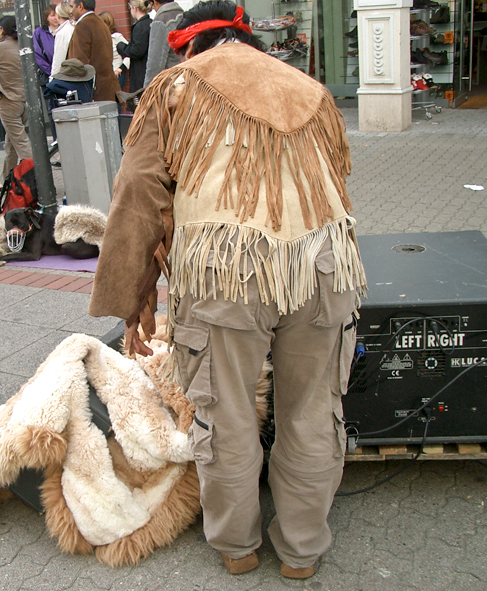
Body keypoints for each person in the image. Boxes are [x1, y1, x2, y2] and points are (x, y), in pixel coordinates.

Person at [89, 0, 366, 580]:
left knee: (228, 417)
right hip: (324, 266)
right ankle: (302, 552)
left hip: (225, 271)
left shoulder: (173, 87)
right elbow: (337, 176)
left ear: (188, 44)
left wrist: (131, 297)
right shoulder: (309, 88)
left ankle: (238, 547)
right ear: (245, 36)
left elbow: (139, 194)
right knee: (313, 413)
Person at [0, 16, 33, 184]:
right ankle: (6, 181)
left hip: (8, 101)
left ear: (1, 30)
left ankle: (39, 181)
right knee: (11, 144)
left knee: (22, 144)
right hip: (25, 101)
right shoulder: (25, 46)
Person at [66, 0, 120, 102]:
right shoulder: (102, 24)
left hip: (93, 93)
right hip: (107, 89)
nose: (71, 11)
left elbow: (79, 63)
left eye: (72, 6)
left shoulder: (82, 25)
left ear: (80, 6)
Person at [142, 0, 184, 88]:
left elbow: (155, 62)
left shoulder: (160, 21)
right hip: (186, 78)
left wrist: (147, 90)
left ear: (155, 2)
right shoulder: (184, 15)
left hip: (170, 84)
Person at [116, 0, 152, 93]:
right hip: (148, 68)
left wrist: (121, 47)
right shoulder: (151, 23)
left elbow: (136, 51)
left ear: (134, 8)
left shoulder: (140, 26)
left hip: (140, 72)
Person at [98, 11, 130, 89]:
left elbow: (129, 53)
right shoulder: (100, 39)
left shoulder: (116, 37)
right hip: (105, 76)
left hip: (116, 74)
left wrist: (121, 68)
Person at [50, 1, 75, 80]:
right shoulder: (75, 27)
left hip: (68, 74)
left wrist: (53, 78)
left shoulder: (63, 32)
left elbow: (59, 58)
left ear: (58, 15)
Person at [33, 4, 58, 83]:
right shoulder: (39, 32)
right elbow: (37, 55)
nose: (56, 18)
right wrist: (50, 71)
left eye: (57, 15)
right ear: (47, 17)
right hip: (47, 75)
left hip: (64, 74)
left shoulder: (64, 30)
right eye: (52, 15)